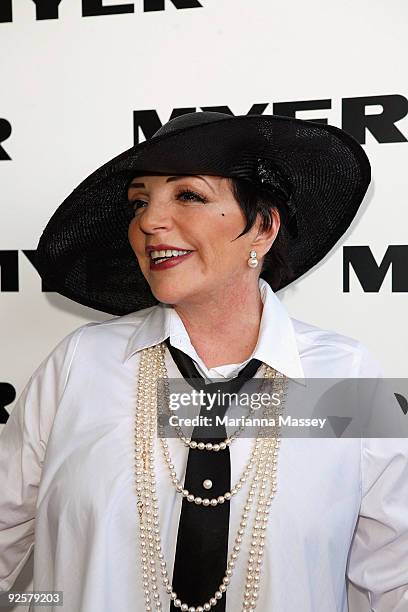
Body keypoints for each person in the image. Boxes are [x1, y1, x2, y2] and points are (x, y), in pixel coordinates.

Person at [0, 112, 407, 612]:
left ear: (262, 227)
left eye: (188, 195)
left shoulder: (342, 373)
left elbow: (393, 578)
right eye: (139, 202)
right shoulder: (80, 364)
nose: (149, 221)